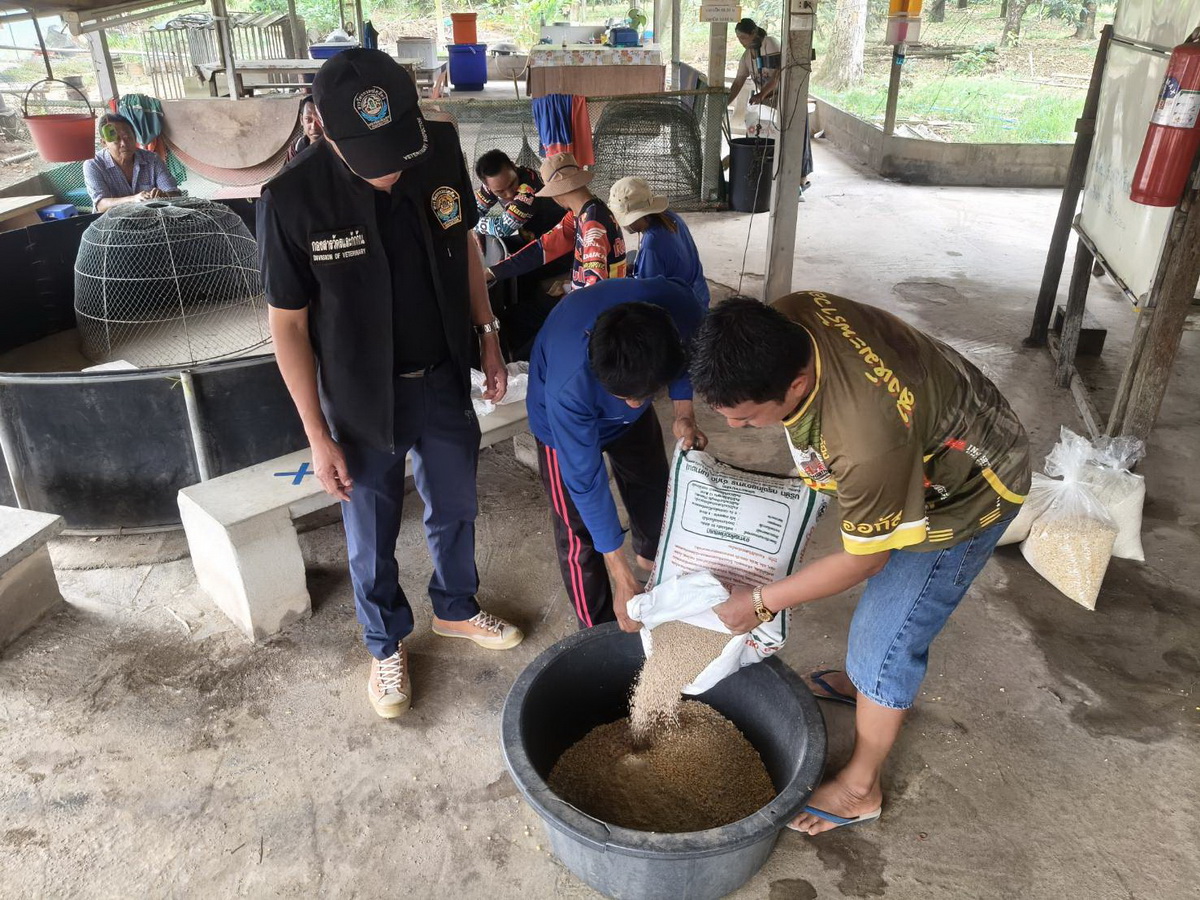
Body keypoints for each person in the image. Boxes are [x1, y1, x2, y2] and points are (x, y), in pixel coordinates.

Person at [689, 293, 1030, 835]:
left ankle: (859, 789)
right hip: (940, 419)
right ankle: (863, 687)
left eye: (747, 418)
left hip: (966, 490)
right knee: (875, 633)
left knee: (887, 638)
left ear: (796, 384)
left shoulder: (866, 442)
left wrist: (759, 602)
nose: (735, 426)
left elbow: (865, 560)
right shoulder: (789, 316)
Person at [257, 50, 522, 721]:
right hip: (360, 399)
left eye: (398, 149)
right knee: (371, 530)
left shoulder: (439, 149)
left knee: (456, 505)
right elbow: (288, 325)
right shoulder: (289, 199)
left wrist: (488, 334)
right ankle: (385, 644)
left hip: (443, 375)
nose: (390, 169)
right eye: (371, 157)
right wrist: (317, 435)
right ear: (322, 127)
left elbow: (465, 246)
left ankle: (455, 608)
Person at [527, 277, 707, 631]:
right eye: (625, 397)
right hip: (560, 428)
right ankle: (598, 630)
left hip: (630, 418)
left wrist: (684, 413)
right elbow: (586, 483)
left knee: (655, 493)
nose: (635, 404)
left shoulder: (679, 306)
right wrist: (621, 575)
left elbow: (688, 351)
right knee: (579, 532)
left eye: (646, 395)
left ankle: (654, 569)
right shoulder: (568, 387)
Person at [486, 152, 626, 292]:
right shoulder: (580, 214)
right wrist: (493, 272)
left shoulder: (592, 224)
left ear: (557, 192)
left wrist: (568, 299)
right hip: (587, 296)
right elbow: (542, 249)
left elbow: (594, 290)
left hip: (599, 302)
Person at [727, 17, 813, 189]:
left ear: (754, 33)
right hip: (768, 102)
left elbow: (778, 75)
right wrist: (725, 102)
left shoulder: (770, 43)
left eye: (744, 38)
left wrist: (761, 94)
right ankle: (766, 174)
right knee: (762, 136)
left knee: (796, 138)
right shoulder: (747, 57)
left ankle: (801, 179)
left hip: (787, 98)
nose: (741, 42)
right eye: (738, 39)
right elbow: (738, 82)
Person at [608, 177, 710, 308]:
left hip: (683, 310)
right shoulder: (670, 217)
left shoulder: (652, 244)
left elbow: (646, 295)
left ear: (635, 217)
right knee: (632, 257)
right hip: (700, 295)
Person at [83, 113, 180, 212]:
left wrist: (164, 196)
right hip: (112, 220)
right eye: (116, 139)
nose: (124, 144)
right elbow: (101, 205)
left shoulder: (153, 160)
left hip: (150, 217)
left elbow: (175, 193)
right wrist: (133, 199)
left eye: (128, 137)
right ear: (104, 143)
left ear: (135, 137)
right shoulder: (94, 164)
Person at [473, 149, 565, 250]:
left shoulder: (528, 189)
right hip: (531, 235)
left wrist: (475, 225)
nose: (509, 194)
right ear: (487, 186)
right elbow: (475, 211)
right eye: (500, 191)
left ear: (513, 167)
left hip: (559, 234)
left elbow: (502, 228)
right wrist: (476, 229)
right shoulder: (492, 184)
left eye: (512, 183)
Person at [286, 95, 324, 161]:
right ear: (301, 120)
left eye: (319, 120)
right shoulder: (296, 147)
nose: (314, 126)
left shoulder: (337, 149)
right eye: (308, 119)